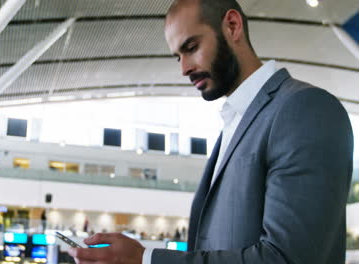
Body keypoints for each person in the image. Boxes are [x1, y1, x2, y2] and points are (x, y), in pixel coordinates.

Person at [68, 0, 354, 263]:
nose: (184, 68)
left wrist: (146, 259)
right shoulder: (236, 122)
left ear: (232, 26)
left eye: (191, 47)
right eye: (177, 56)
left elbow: (287, 258)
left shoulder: (304, 108)